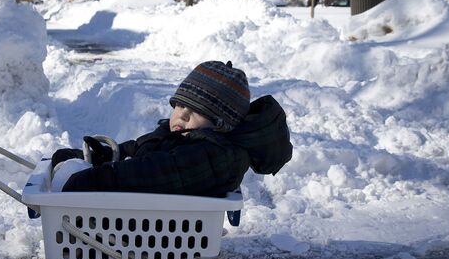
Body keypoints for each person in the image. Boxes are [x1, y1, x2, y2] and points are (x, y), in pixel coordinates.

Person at [50, 60, 293, 197]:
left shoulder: (220, 157)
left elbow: (155, 173)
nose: (182, 115)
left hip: (162, 241)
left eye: (196, 111)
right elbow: (139, 150)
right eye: (179, 105)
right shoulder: (180, 134)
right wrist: (106, 156)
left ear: (220, 124)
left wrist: (99, 178)